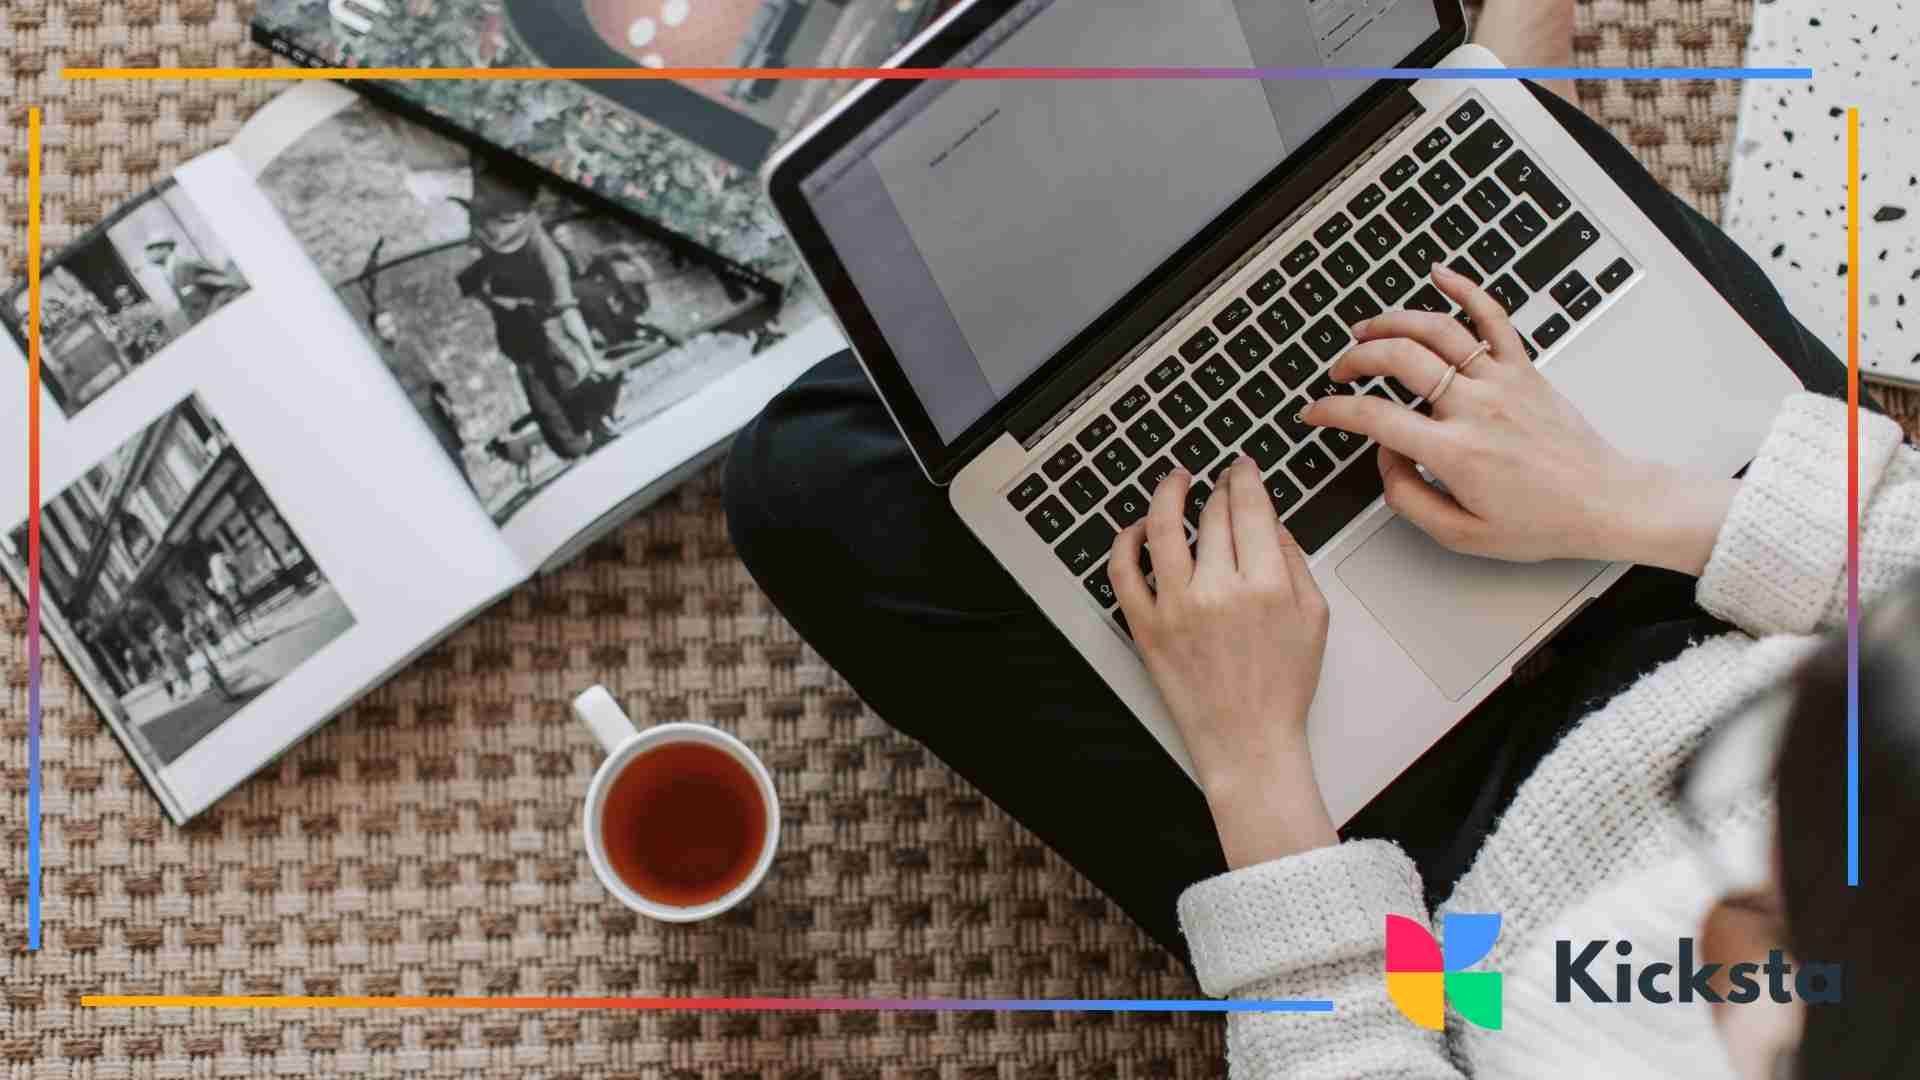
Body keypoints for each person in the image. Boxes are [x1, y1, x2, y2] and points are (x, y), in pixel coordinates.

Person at [721, 1, 1920, 1075]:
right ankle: (1468, 137)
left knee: (816, 473)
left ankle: (1463, 123)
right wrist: (1619, 497)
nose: (1726, 932)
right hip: (1743, 597)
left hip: (1434, 901)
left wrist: (1254, 765)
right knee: (1505, 200)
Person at [454, 163, 625, 460]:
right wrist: (497, 302)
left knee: (561, 375)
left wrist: (591, 357)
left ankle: (588, 430)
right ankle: (576, 441)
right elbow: (474, 271)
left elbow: (569, 314)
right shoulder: (486, 217)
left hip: (540, 321)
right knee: (541, 381)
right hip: (517, 324)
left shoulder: (549, 258)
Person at [143, 234, 244, 323]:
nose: (148, 255)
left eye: (151, 249)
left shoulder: (186, 265)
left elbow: (226, 287)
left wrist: (211, 315)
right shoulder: (169, 272)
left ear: (165, 248)